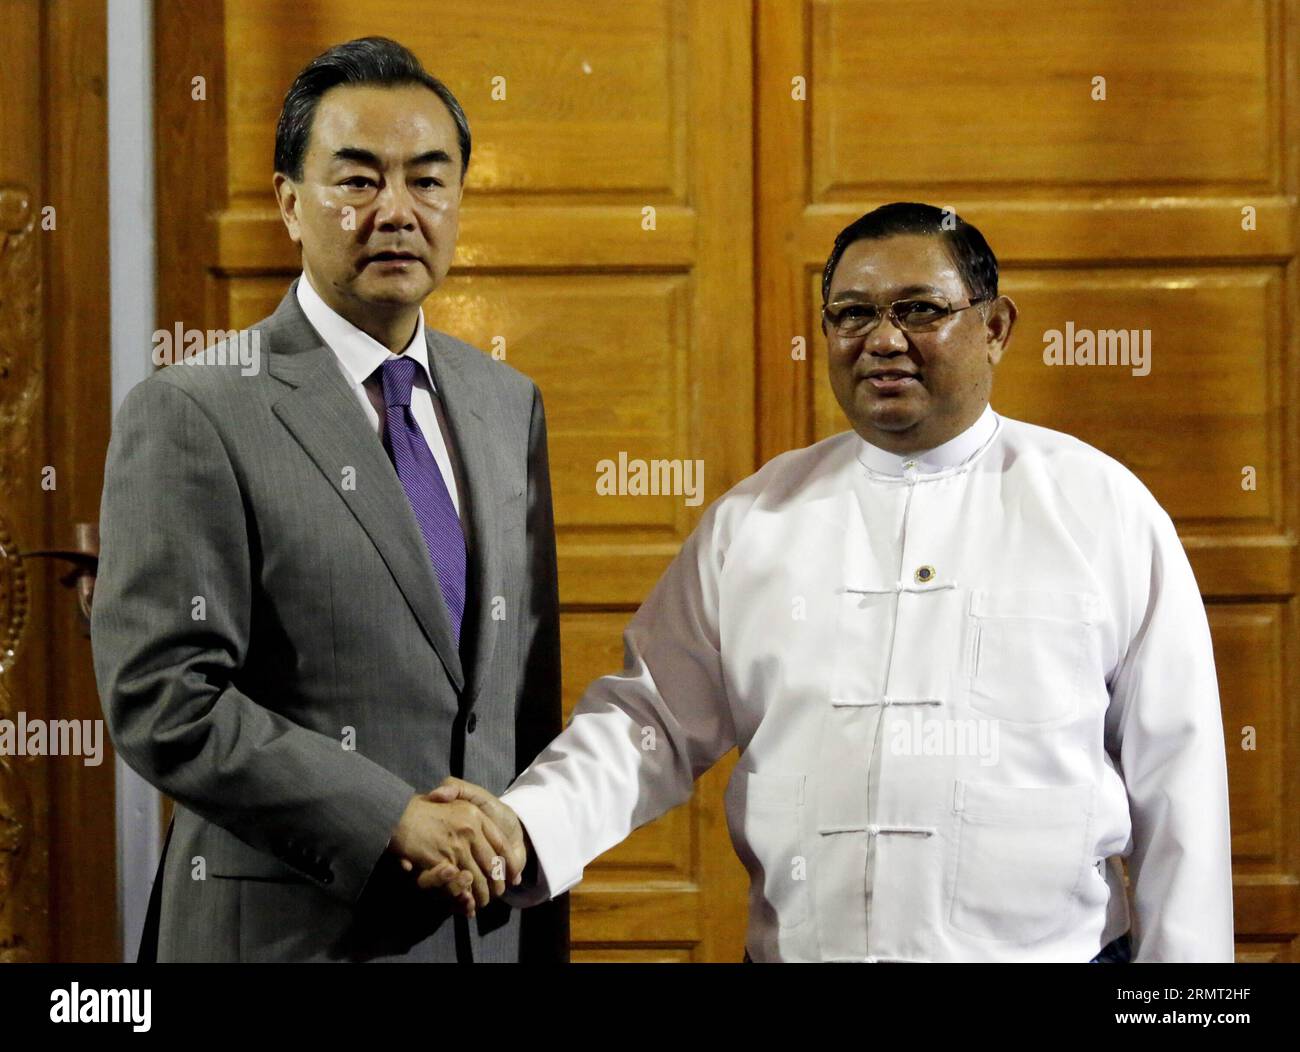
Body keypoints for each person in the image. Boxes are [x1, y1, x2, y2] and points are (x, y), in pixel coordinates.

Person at [438, 202, 1235, 962]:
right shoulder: (757, 519)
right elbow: (649, 724)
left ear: (995, 328)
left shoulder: (1100, 508)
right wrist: (526, 828)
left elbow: (1181, 787)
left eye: (919, 309)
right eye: (852, 314)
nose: (883, 340)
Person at [91, 36, 563, 962]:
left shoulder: (507, 404)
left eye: (428, 180)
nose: (396, 210)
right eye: (357, 181)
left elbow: (524, 705)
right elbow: (163, 697)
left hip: (482, 938)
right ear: (288, 204)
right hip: (286, 932)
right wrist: (385, 815)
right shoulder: (195, 408)